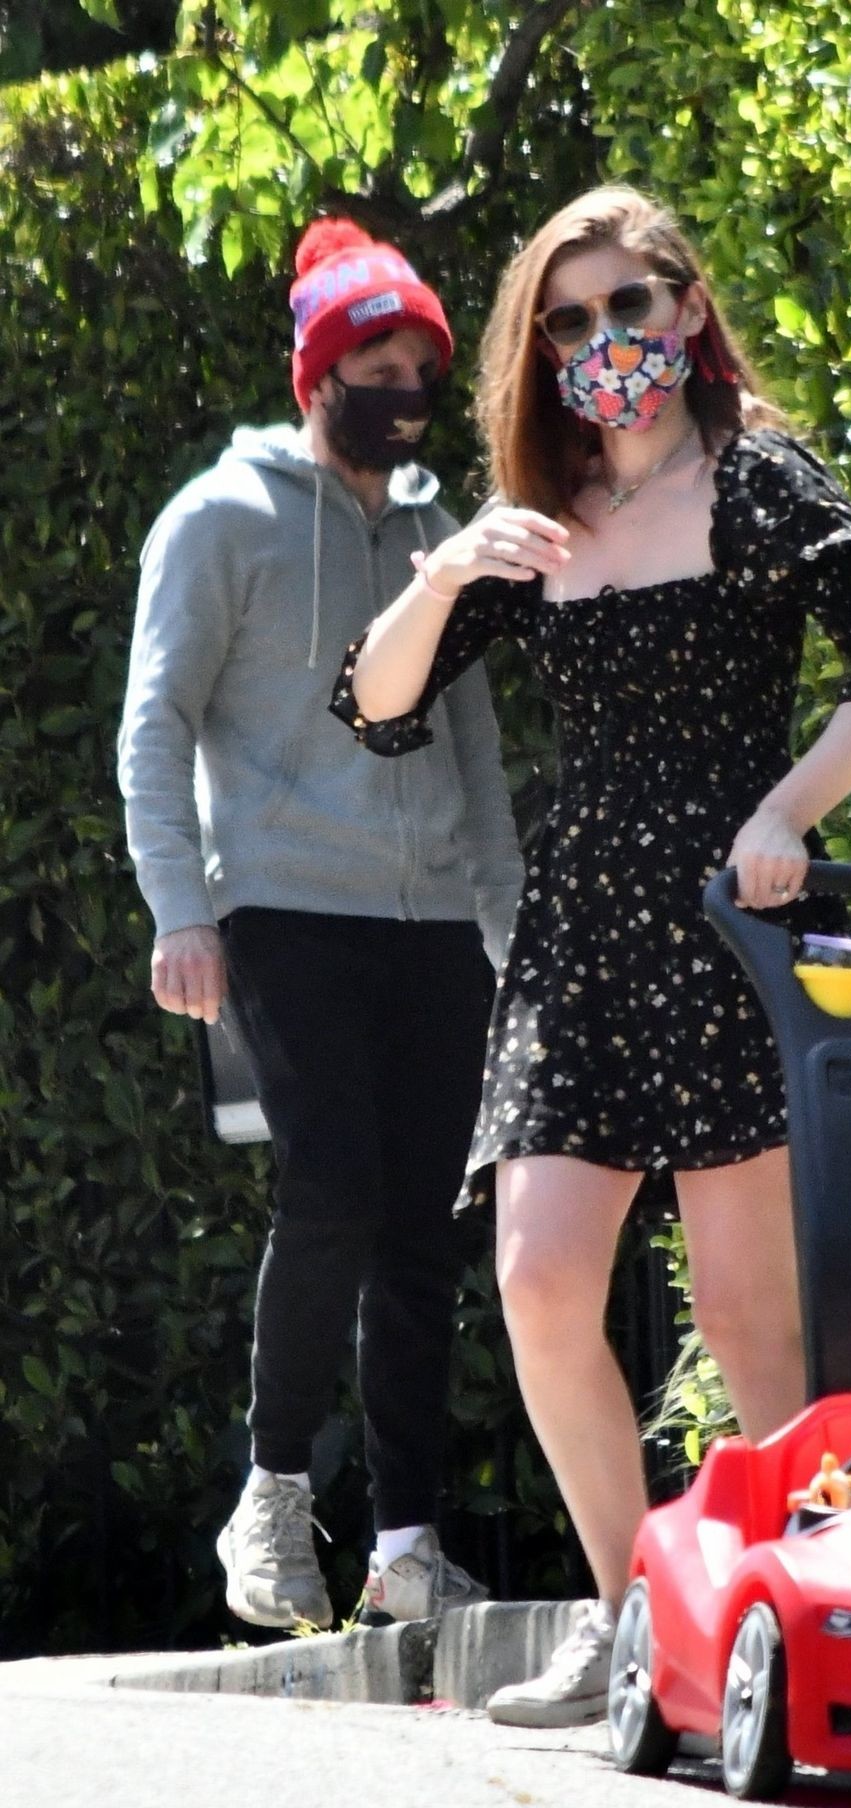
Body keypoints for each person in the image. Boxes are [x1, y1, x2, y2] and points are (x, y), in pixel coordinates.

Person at [328, 185, 851, 1724]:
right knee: (540, 1278)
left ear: (684, 308)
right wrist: (444, 570)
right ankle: (631, 1623)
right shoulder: (539, 521)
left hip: (736, 932)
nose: (603, 338)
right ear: (540, 349)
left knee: (748, 1317)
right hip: (581, 938)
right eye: (569, 320)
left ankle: (812, 1621)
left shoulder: (759, 480)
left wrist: (788, 811)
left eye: (627, 304)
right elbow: (377, 706)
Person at [118, 217, 524, 1633]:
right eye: (376, 368)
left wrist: (506, 934)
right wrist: (181, 910)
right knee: (335, 1189)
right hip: (282, 907)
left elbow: (473, 749)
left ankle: (406, 1544)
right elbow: (154, 727)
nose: (403, 392)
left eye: (421, 370)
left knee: (422, 1228)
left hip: (433, 927)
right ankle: (274, 1490)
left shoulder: (437, 538)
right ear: (315, 377)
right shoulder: (217, 520)